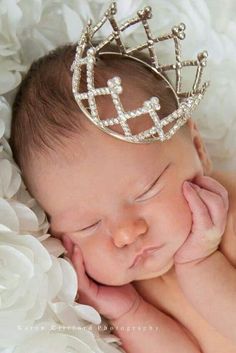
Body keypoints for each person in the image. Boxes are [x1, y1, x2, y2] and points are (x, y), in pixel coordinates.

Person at [9, 7, 236, 352]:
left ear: (199, 148)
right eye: (88, 225)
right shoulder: (134, 288)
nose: (125, 233)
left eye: (146, 191)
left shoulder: (228, 214)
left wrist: (201, 264)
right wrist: (128, 311)